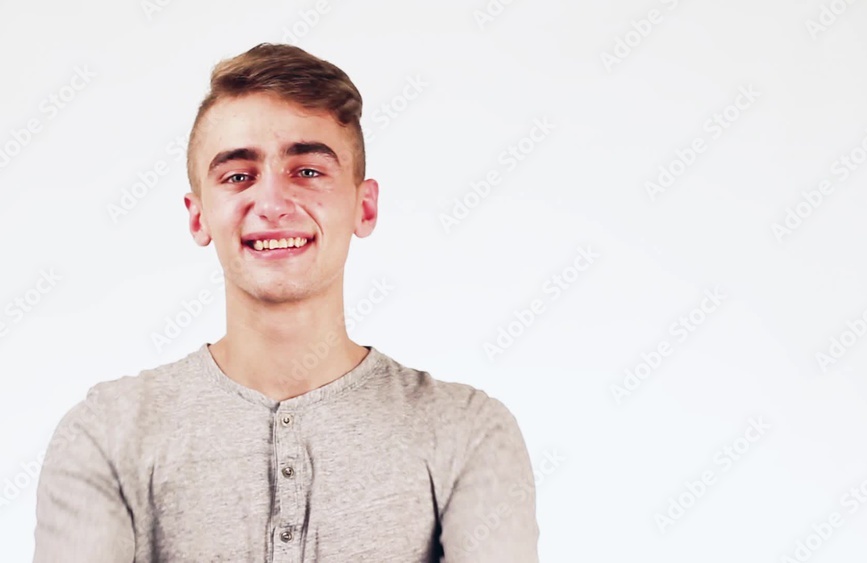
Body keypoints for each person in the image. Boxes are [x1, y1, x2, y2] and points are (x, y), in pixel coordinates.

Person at [32, 42, 540, 563]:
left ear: (364, 208)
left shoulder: (468, 431)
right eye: (237, 176)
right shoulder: (106, 435)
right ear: (198, 216)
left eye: (308, 171)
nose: (273, 203)